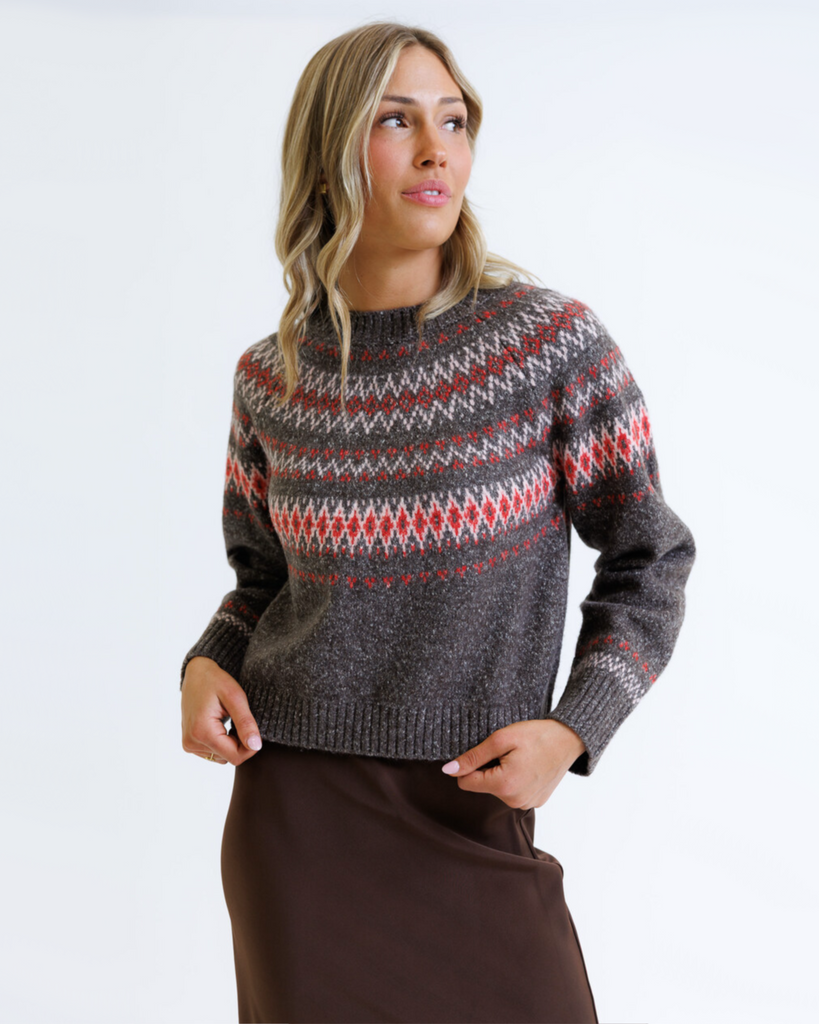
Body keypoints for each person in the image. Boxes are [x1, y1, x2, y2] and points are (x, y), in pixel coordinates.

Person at [179, 20, 696, 1024]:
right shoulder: (273, 379)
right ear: (332, 155)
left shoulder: (547, 345)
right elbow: (262, 581)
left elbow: (651, 553)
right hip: (302, 822)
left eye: (454, 121)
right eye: (397, 121)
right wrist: (207, 662)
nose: (437, 151)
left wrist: (573, 728)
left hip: (473, 807)